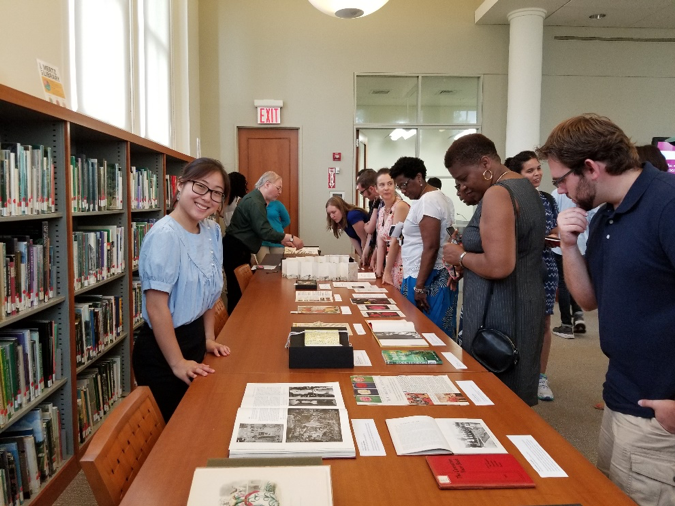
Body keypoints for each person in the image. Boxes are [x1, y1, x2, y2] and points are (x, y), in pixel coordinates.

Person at [538, 113, 675, 506]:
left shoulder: (666, 203)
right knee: (612, 492)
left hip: (659, 406)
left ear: (591, 168)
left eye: (561, 179)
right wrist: (566, 246)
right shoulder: (606, 215)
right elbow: (588, 299)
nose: (560, 189)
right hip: (620, 395)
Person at [443, 134, 546, 406]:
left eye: (464, 177)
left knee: (495, 397)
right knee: (514, 394)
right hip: (522, 300)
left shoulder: (498, 193)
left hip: (501, 311)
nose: (463, 186)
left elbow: (500, 265)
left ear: (485, 163)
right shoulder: (525, 188)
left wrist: (461, 256)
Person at [132, 158, 232, 422]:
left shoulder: (211, 230)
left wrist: (208, 337)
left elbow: (210, 291)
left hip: (195, 342)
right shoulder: (165, 235)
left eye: (216, 193)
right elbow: (156, 307)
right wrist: (177, 363)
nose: (207, 198)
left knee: (204, 420)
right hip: (165, 355)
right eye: (200, 186)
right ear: (180, 186)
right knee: (182, 435)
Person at [506, 151, 559, 402]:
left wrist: (553, 236)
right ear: (518, 174)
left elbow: (555, 229)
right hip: (518, 266)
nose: (537, 173)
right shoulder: (508, 198)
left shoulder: (548, 199)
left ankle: (540, 377)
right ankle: (515, 372)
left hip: (546, 265)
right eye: (530, 170)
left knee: (544, 324)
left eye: (538, 168)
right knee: (515, 320)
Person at [389, 156, 458, 337]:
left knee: (426, 334)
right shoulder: (439, 197)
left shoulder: (429, 200)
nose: (403, 191)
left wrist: (419, 287)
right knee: (432, 333)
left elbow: (431, 246)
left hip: (426, 277)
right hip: (431, 273)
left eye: (404, 184)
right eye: (399, 187)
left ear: (419, 178)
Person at [223, 171, 304, 313]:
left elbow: (260, 230)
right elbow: (264, 230)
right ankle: (237, 325)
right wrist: (290, 238)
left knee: (239, 292)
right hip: (235, 249)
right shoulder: (254, 201)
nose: (280, 192)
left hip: (239, 248)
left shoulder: (257, 200)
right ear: (267, 184)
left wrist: (283, 241)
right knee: (237, 293)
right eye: (278, 188)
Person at [550, 192, 588, 339]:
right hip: (581, 244)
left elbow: (553, 219)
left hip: (562, 245)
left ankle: (566, 325)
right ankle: (578, 315)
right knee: (576, 280)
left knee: (564, 283)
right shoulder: (585, 193)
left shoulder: (557, 195)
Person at [374, 168, 410, 289]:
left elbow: (395, 241)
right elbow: (380, 240)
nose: (386, 188)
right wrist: (379, 270)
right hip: (390, 262)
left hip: (402, 262)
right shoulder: (383, 210)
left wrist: (387, 271)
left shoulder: (400, 207)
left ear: (395, 185)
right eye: (382, 185)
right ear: (376, 188)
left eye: (390, 184)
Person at [356, 169, 382, 268]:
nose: (363, 196)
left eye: (362, 192)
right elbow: (371, 231)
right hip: (376, 246)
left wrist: (368, 226)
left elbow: (370, 228)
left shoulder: (382, 202)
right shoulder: (374, 201)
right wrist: (366, 250)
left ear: (371, 188)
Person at [256, 199, 290, 263]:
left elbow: (286, 220)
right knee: (264, 266)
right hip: (261, 241)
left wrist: (276, 229)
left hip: (277, 240)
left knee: (277, 265)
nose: (279, 192)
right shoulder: (256, 204)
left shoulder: (278, 204)